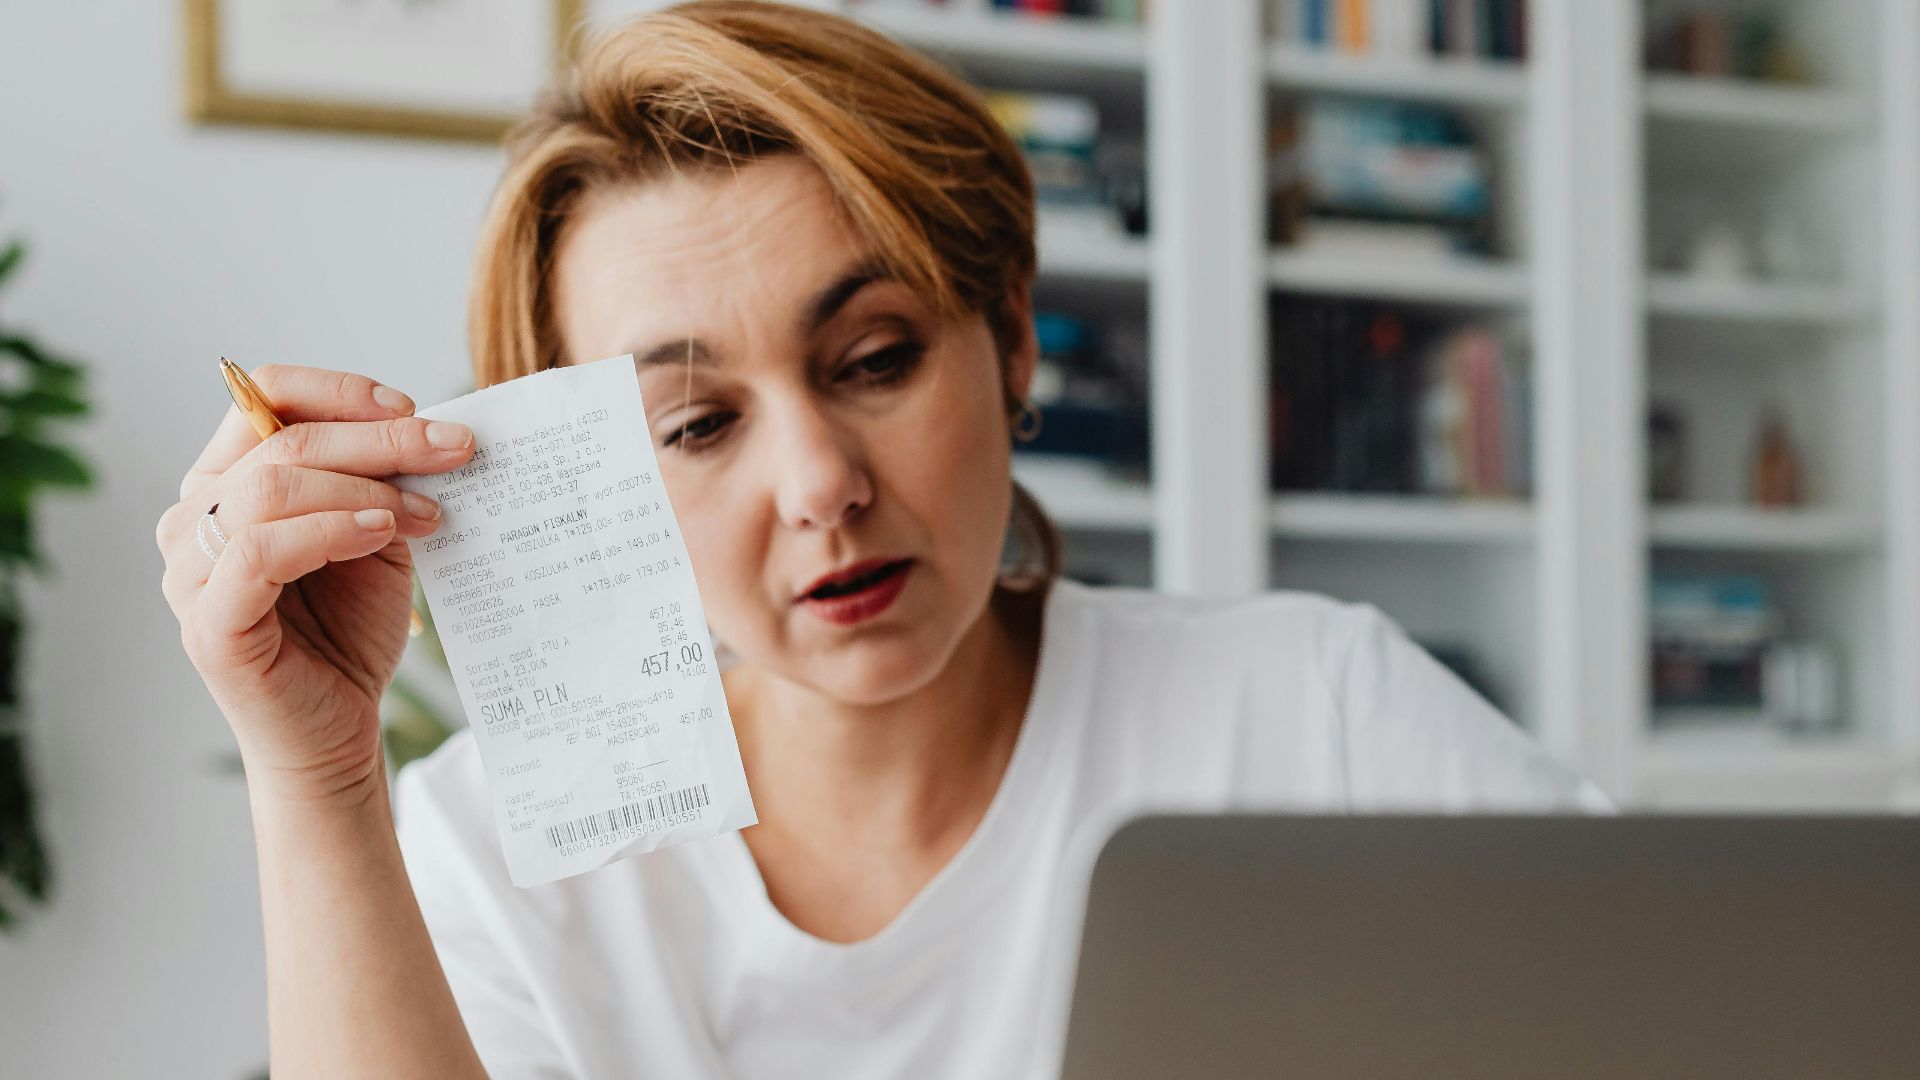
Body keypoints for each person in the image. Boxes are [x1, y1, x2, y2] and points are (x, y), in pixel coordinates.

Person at [155, 3, 1606, 1077]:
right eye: (699, 424)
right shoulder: (492, 856)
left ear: (1016, 339)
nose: (821, 485)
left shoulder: (1311, 718)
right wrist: (317, 776)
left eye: (875, 357)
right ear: (593, 480)